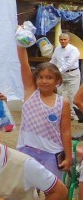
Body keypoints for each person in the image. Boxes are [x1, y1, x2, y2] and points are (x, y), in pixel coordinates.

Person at [17, 45, 72, 177]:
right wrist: (21, 44)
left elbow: (66, 131)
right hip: (26, 150)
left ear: (57, 81)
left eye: (49, 77)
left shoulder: (62, 102)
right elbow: (24, 63)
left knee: (54, 190)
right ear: (35, 79)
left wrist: (69, 156)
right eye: (40, 77)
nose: (44, 81)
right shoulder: (31, 92)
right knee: (27, 191)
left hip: (52, 153)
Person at [50, 32, 81, 110]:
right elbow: (53, 61)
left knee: (72, 95)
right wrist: (47, 68)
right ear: (59, 40)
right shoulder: (57, 49)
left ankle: (74, 115)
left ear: (68, 40)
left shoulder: (74, 50)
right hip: (61, 75)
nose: (63, 41)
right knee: (59, 94)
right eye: (61, 40)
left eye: (65, 39)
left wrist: (57, 71)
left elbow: (69, 64)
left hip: (72, 75)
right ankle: (61, 112)